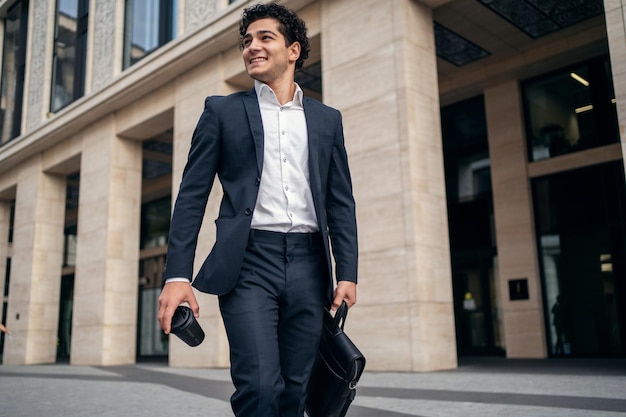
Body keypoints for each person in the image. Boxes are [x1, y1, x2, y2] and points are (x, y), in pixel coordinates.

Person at [157, 3, 358, 417]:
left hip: (309, 266)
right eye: (246, 41)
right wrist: (178, 274)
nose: (252, 47)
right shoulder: (222, 111)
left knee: (295, 392)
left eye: (265, 38)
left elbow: (340, 202)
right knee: (260, 388)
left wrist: (348, 273)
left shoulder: (326, 120)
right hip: (248, 264)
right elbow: (191, 196)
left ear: (294, 50)